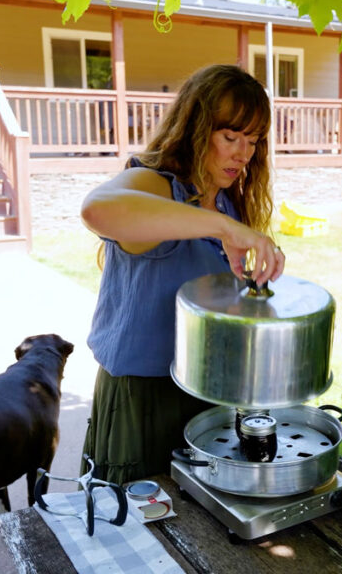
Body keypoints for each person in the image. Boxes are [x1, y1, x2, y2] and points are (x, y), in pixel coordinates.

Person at [78, 64, 286, 484]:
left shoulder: (228, 203)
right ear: (196, 126)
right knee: (138, 527)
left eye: (253, 141)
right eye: (230, 137)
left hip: (207, 397)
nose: (242, 154)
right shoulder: (153, 183)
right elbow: (96, 209)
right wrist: (226, 229)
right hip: (144, 399)